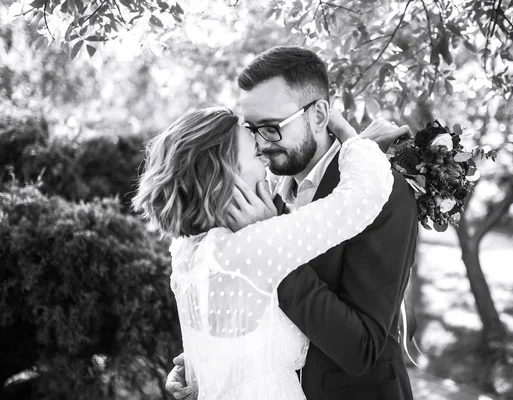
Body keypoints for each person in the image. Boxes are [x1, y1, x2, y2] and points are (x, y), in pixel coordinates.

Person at [167, 46, 418, 400]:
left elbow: (361, 349)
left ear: (318, 115)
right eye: (250, 129)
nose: (259, 143)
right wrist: (209, 365)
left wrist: (272, 253)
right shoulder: (256, 196)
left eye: (270, 128)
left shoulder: (385, 194)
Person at [133, 104, 395, 399]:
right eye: (257, 155)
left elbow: (230, 339)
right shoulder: (254, 243)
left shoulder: (184, 250)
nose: (267, 163)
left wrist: (200, 372)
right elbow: (363, 195)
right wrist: (349, 134)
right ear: (225, 173)